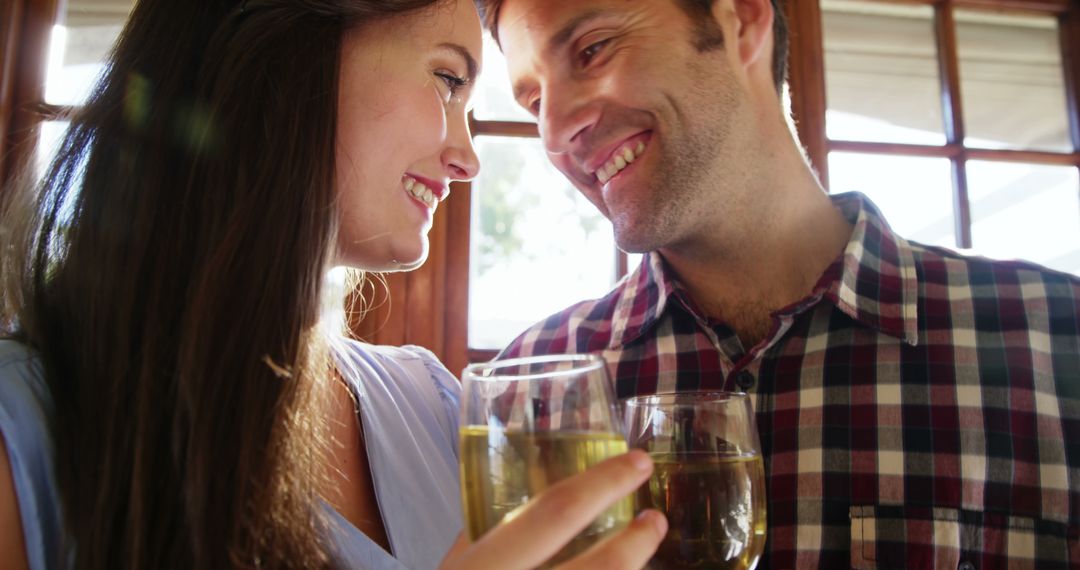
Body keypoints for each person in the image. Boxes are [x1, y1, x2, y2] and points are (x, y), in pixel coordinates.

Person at [0, 0, 667, 568]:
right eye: (446, 79)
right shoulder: (27, 427)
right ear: (287, 59)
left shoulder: (434, 408)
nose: (467, 160)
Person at [477, 0, 1080, 567]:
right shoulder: (532, 387)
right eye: (532, 102)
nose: (553, 134)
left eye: (593, 49)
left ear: (741, 18)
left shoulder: (1061, 341)